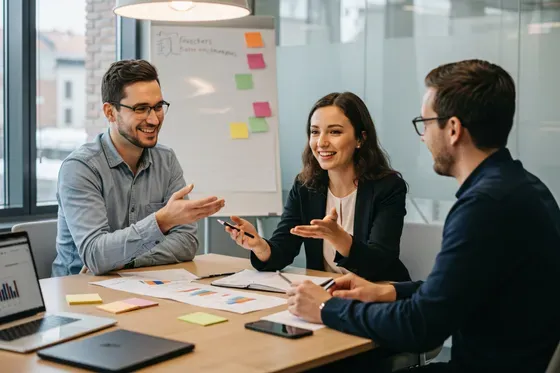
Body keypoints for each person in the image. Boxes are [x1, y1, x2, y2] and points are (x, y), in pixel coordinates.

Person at [286, 60, 560, 372]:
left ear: (453, 129)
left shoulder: (484, 206)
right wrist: (388, 290)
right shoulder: (521, 186)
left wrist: (326, 308)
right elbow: (454, 290)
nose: (423, 137)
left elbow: (421, 326)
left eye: (426, 123)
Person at [52, 59, 225, 276]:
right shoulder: (81, 168)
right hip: (78, 294)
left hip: (138, 286)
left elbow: (186, 242)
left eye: (158, 107)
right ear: (110, 112)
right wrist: (162, 222)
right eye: (141, 109)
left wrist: (125, 261)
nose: (153, 119)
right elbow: (95, 255)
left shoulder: (166, 160)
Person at [224, 92, 411, 282]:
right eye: (315, 132)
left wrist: (338, 237)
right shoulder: (305, 186)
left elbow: (379, 264)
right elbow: (283, 249)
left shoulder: (388, 187)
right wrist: (260, 246)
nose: (321, 142)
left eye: (335, 132)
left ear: (360, 139)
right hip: (328, 293)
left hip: (379, 295)